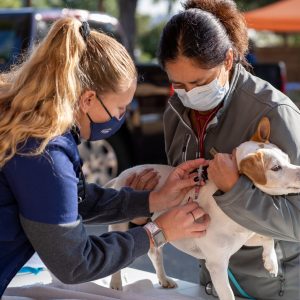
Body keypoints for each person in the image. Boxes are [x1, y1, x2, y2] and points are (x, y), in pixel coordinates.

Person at [0, 17, 210, 297]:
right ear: (88, 100)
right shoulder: (43, 150)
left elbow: (71, 200)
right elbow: (75, 263)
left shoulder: (24, 118)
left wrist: (151, 200)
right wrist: (157, 232)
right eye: (120, 107)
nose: (120, 117)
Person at [157, 0, 300, 299]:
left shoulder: (274, 112)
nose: (189, 94)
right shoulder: (175, 112)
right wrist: (150, 193)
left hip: (274, 287)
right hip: (213, 277)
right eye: (178, 84)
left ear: (228, 60)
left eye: (199, 82)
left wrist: (235, 190)